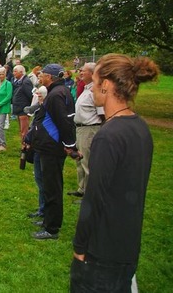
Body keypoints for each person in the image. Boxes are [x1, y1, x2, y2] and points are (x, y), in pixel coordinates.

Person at [71, 54, 159, 292]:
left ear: (106, 85)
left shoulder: (109, 136)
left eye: (95, 81)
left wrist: (80, 247)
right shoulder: (139, 127)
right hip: (127, 242)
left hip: (102, 252)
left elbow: (94, 197)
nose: (91, 88)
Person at [28, 64, 78, 240]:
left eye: (42, 75)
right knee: (48, 186)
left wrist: (69, 144)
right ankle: (46, 219)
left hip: (52, 148)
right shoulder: (58, 91)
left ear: (50, 76)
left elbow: (64, 122)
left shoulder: (57, 94)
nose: (40, 77)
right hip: (46, 146)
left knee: (52, 188)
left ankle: (52, 228)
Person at [68, 62, 105, 201]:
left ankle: (89, 194)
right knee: (79, 159)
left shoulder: (96, 91)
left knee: (87, 161)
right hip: (80, 128)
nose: (80, 73)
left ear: (92, 73)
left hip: (89, 129)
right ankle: (81, 188)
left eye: (83, 71)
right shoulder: (85, 88)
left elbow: (102, 114)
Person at [24, 85, 48, 220]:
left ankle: (45, 210)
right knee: (39, 179)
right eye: (37, 95)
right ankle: (41, 208)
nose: (38, 98)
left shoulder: (47, 109)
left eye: (40, 96)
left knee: (43, 180)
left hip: (43, 147)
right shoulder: (40, 108)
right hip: (36, 146)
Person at [12, 65, 34, 148]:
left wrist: (28, 109)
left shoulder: (26, 82)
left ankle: (25, 146)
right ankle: (24, 144)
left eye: (15, 71)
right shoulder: (18, 81)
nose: (13, 73)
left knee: (24, 130)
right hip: (19, 108)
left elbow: (30, 95)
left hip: (23, 109)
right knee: (21, 129)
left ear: (21, 72)